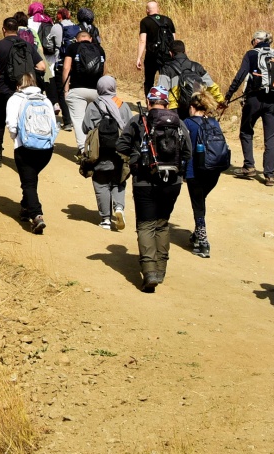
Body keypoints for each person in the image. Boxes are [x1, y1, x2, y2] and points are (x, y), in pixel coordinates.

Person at [117, 87, 191, 292]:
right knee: (162, 223)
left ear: (149, 102)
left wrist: (135, 157)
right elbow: (188, 152)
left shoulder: (138, 120)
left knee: (146, 225)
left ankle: (149, 272)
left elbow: (121, 145)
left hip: (144, 181)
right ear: (167, 104)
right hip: (173, 182)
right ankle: (160, 270)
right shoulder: (179, 123)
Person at [224, 30, 274, 187]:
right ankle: (269, 175)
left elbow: (240, 76)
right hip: (273, 102)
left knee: (246, 131)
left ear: (256, 41)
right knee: (271, 139)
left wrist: (228, 97)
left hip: (254, 99)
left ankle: (249, 166)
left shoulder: (251, 54)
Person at [0, 16, 44, 167]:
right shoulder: (27, 45)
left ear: (3, 29)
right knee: (23, 123)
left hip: (4, 89)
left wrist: (0, 76)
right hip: (23, 90)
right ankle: (24, 157)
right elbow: (42, 66)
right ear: (17, 30)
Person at [4, 73, 57, 233]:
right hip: (46, 150)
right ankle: (26, 207)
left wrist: (17, 138)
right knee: (31, 179)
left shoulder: (15, 99)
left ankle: (36, 215)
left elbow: (11, 125)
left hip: (24, 147)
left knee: (28, 183)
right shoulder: (45, 99)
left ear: (18, 86)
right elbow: (54, 125)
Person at [86, 75, 133, 230]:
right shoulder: (123, 105)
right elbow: (129, 127)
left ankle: (106, 219)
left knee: (100, 183)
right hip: (119, 150)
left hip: (99, 151)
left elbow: (86, 127)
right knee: (118, 180)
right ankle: (119, 208)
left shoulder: (93, 106)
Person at [181, 95, 225, 258]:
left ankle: (203, 242)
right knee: (200, 201)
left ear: (192, 107)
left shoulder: (188, 123)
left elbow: (183, 147)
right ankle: (196, 234)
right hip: (214, 171)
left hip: (195, 171)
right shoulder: (214, 122)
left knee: (198, 205)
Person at [60, 25, 107, 154]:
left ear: (77, 39)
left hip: (77, 89)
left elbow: (66, 68)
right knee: (94, 120)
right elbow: (104, 71)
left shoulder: (72, 47)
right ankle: (95, 148)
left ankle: (83, 150)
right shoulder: (99, 49)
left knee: (78, 119)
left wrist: (66, 89)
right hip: (96, 90)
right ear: (91, 39)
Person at [155, 40, 217, 114]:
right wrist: (220, 101)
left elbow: (161, 91)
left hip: (175, 109)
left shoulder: (167, 69)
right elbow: (212, 86)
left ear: (170, 53)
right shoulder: (197, 67)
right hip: (196, 108)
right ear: (185, 51)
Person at [134, 0, 176, 96]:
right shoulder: (168, 20)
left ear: (147, 10)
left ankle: (150, 105)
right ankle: (167, 104)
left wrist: (139, 57)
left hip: (152, 55)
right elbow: (173, 39)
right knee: (167, 80)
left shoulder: (145, 21)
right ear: (158, 9)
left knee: (149, 81)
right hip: (167, 56)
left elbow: (142, 41)